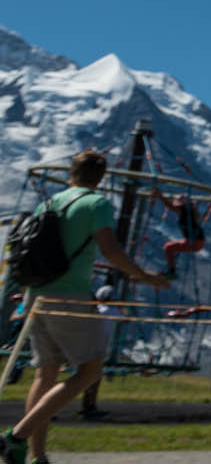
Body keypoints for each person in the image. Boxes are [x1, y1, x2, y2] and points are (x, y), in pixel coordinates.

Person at [2, 150, 168, 464]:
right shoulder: (96, 204)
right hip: (69, 297)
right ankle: (16, 436)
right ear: (101, 177)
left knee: (45, 374)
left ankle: (35, 455)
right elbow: (110, 249)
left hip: (35, 297)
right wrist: (144, 276)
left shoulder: (48, 203)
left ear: (71, 173)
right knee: (91, 370)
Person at [76, 285, 118, 420]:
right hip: (97, 346)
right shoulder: (111, 310)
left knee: (85, 376)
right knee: (93, 377)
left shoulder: (95, 309)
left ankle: (87, 405)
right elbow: (127, 317)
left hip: (85, 344)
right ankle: (90, 406)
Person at [152, 190, 209, 279]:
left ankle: (172, 271)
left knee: (168, 247)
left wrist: (160, 196)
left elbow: (170, 206)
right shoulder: (190, 211)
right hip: (196, 241)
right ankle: (172, 269)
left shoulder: (185, 210)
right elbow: (172, 205)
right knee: (171, 248)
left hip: (194, 242)